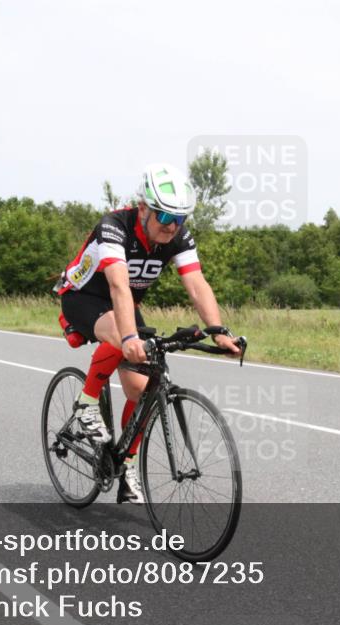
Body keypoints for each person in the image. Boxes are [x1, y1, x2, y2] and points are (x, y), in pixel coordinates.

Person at [56, 163, 242, 504]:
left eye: (180, 219)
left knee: (142, 391)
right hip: (84, 298)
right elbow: (117, 284)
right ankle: (86, 404)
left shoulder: (178, 237)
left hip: (122, 304)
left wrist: (218, 331)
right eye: (165, 218)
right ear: (143, 209)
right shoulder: (114, 227)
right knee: (124, 336)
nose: (172, 227)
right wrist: (129, 339)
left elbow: (197, 284)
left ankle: (125, 463)